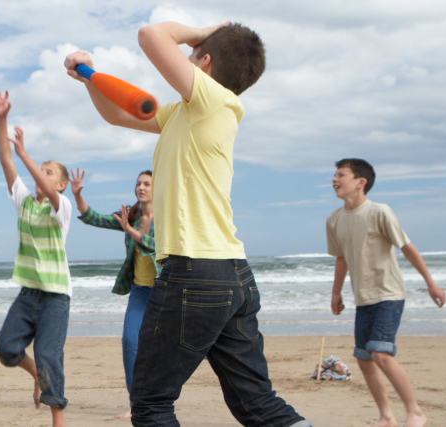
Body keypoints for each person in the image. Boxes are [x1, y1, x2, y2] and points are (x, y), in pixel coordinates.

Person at [66, 22, 311, 426]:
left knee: (150, 405)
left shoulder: (215, 100)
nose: (190, 53)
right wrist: (89, 76)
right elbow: (117, 114)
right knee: (258, 405)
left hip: (194, 273)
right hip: (231, 275)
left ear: (205, 61)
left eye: (196, 51)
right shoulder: (187, 113)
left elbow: (151, 35)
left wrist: (206, 30)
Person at [327, 158, 446, 427]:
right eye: (334, 175)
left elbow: (407, 247)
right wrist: (336, 293)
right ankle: (386, 417)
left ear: (360, 182)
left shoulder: (380, 211)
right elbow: (341, 258)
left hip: (389, 293)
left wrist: (430, 283)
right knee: (364, 359)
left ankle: (415, 412)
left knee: (381, 354)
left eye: (341, 175)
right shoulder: (334, 219)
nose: (335, 180)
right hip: (362, 297)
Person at [0, 91, 73, 427]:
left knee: (50, 355)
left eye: (49, 172)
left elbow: (47, 190)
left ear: (63, 185)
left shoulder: (60, 208)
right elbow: (5, 160)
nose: (43, 175)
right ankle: (36, 375)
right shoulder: (23, 201)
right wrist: (1, 119)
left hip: (55, 298)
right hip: (28, 295)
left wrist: (26, 154)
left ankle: (58, 418)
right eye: (43, 170)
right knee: (6, 347)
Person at [70, 168, 155, 419]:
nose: (141, 187)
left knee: (166, 350)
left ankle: (159, 397)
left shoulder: (170, 216)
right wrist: (77, 196)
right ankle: (136, 403)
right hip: (140, 292)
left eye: (147, 184)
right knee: (130, 342)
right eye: (138, 183)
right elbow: (95, 218)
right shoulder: (131, 215)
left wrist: (131, 231)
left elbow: (160, 245)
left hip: (166, 291)